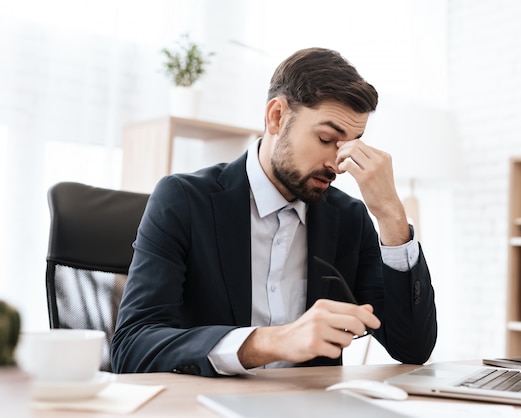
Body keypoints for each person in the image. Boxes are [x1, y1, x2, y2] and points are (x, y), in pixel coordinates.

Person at [111, 47, 437, 377]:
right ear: (276, 117)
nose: (337, 164)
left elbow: (412, 348)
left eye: (351, 144)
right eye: (326, 139)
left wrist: (391, 215)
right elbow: (132, 347)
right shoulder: (183, 201)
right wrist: (269, 342)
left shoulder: (349, 219)